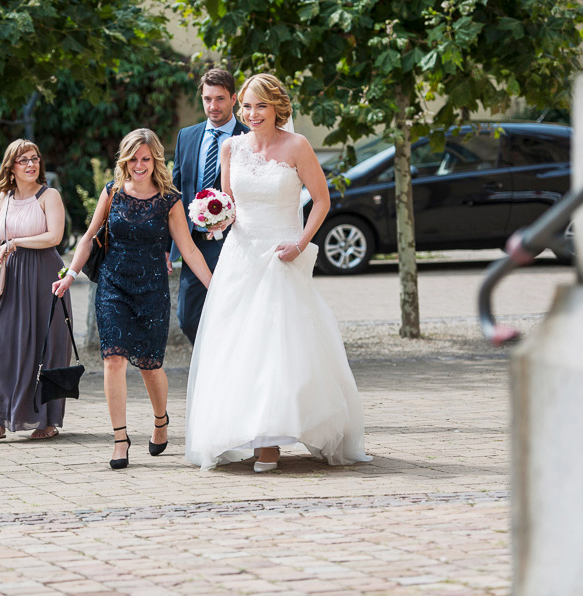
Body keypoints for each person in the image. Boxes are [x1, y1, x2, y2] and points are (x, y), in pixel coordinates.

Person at [184, 74, 372, 472]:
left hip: (282, 253)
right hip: (240, 255)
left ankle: (270, 442)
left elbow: (320, 201)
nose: (251, 114)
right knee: (237, 345)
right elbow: (229, 203)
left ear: (277, 108)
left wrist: (301, 243)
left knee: (278, 345)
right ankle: (242, 431)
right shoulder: (230, 147)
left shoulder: (298, 146)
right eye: (247, 107)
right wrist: (214, 218)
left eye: (260, 106)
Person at [53, 129, 213, 469]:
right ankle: (120, 439)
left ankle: (160, 421)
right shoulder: (111, 192)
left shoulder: (169, 199)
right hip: (113, 286)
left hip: (152, 290)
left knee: (151, 366)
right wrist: (69, 275)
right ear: (124, 160)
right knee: (113, 359)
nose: (139, 165)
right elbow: (88, 236)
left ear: (155, 160)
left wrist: (214, 286)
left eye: (146, 159)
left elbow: (188, 249)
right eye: (133, 159)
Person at [0, 139, 71, 442]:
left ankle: (49, 420)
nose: (31, 165)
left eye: (35, 158)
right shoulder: (3, 197)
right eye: (23, 160)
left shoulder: (49, 195)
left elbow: (54, 237)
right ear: (11, 168)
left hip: (45, 276)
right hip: (11, 277)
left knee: (48, 347)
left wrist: (17, 243)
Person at [170, 68, 249, 344]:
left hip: (234, 242)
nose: (213, 106)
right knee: (188, 319)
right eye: (207, 99)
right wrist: (167, 249)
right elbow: (174, 193)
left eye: (220, 99)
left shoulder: (249, 137)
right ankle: (212, 365)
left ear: (234, 99)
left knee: (236, 313)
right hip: (194, 245)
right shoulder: (187, 136)